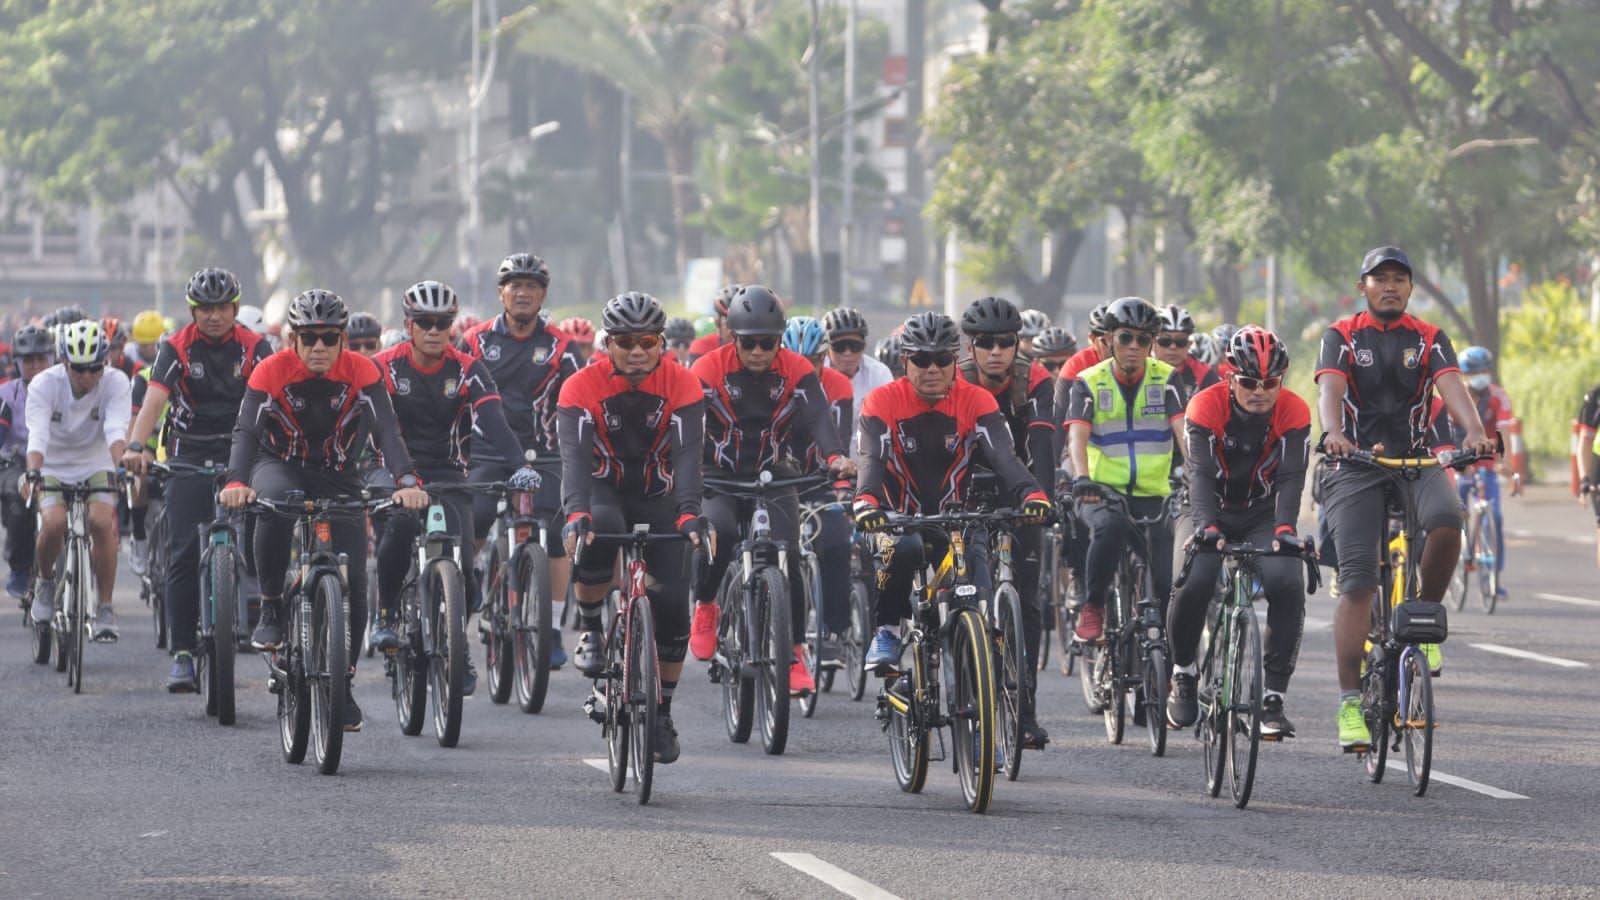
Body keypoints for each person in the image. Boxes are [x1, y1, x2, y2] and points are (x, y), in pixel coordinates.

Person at [219, 289, 429, 732]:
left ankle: (343, 685)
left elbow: (388, 431)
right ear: (292, 339)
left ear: (342, 340)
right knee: (272, 510)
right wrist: (237, 482)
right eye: (309, 337)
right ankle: (273, 607)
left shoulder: (363, 371)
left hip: (338, 471)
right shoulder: (270, 371)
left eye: (329, 338)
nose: (319, 348)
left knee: (351, 583)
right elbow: (244, 432)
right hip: (278, 463)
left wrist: (407, 481)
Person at [1315, 246, 1494, 751]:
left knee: (1447, 521)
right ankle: (1351, 701)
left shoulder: (1431, 338)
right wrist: (1334, 434)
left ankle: (1421, 619)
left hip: (1415, 460)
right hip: (1354, 465)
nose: (1389, 286)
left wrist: (1475, 433)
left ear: (1410, 288)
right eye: (1380, 279)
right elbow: (1329, 391)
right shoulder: (1341, 337)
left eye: (1399, 279)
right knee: (1358, 580)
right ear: (1363, 286)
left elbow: (1451, 386)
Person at [853, 312, 1052, 672]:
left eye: (942, 359)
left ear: (955, 360)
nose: (932, 369)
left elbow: (1005, 458)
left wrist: (1031, 493)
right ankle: (886, 630)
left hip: (956, 517)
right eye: (921, 360)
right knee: (904, 548)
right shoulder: (881, 401)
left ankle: (977, 676)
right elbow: (872, 460)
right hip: (897, 517)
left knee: (977, 583)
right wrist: (866, 500)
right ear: (904, 361)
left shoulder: (976, 400)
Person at [557, 292, 708, 764]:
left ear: (661, 342)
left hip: (659, 492)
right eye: (626, 341)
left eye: (647, 341)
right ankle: (592, 631)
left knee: (671, 604)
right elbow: (575, 461)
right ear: (609, 343)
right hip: (603, 488)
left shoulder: (683, 383)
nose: (637, 351)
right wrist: (575, 511)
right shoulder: (581, 386)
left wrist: (688, 512)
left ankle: (661, 712)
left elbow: (688, 457)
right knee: (598, 527)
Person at [368, 281, 537, 696]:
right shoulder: (383, 366)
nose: (432, 331)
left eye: (441, 323)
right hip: (392, 472)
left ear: (451, 327)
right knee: (402, 528)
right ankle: (387, 615)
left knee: (462, 561)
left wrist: (518, 466)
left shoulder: (467, 367)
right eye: (423, 323)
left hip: (448, 471)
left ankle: (454, 648)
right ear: (408, 325)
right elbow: (377, 427)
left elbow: (494, 419)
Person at [688, 288, 855, 696]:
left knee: (791, 554)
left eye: (768, 342)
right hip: (718, 473)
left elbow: (819, 417)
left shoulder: (798, 369)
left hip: (772, 470)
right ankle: (706, 605)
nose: (759, 351)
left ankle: (794, 651)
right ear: (733, 338)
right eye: (749, 343)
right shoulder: (708, 368)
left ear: (779, 340)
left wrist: (835, 457)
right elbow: (688, 430)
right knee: (721, 534)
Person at [123, 268, 271, 692]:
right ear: (192, 311)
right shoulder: (175, 348)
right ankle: (183, 652)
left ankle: (267, 611)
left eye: (222, 307)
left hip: (242, 449)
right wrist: (136, 447)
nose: (213, 316)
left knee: (265, 527)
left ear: (235, 310)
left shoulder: (255, 346)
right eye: (205, 308)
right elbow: (154, 400)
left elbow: (275, 399)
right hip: (188, 450)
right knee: (184, 551)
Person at [1168, 327, 1310, 737]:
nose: (1260, 391)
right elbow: (1200, 474)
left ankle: (1273, 699)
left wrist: (1284, 529)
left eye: (1270, 383)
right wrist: (1207, 528)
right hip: (1204, 507)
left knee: (1287, 581)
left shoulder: (1294, 410)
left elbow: (1291, 477)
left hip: (1262, 512)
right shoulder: (1204, 405)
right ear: (1228, 377)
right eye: (1249, 382)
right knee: (1194, 581)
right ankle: (1183, 674)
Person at [460, 253, 582, 668]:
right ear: (501, 293)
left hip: (544, 454)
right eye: (515, 285)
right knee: (474, 517)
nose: (523, 292)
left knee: (552, 533)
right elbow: (456, 398)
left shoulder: (562, 347)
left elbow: (577, 401)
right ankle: (473, 570)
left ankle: (549, 627)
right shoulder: (475, 341)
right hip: (487, 451)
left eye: (532, 286)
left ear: (543, 294)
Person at [957, 296, 1056, 748]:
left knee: (1029, 601)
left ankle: (1027, 710)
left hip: (1021, 492)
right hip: (962, 491)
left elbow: (1043, 447)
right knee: (959, 590)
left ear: (1018, 344)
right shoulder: (953, 379)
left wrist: (1043, 499)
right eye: (986, 343)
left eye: (1006, 342)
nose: (996, 351)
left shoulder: (1035, 380)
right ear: (970, 346)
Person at [1062, 297, 1185, 643]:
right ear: (1109, 339)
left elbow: (1184, 431)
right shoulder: (1088, 381)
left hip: (1154, 493)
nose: (1134, 347)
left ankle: (1171, 671)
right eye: (1126, 338)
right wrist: (1082, 478)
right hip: (1101, 491)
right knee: (1109, 527)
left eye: (1144, 340)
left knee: (1166, 581)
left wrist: (1197, 472)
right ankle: (1094, 606)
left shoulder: (1168, 379)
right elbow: (1077, 436)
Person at [22, 320, 132, 641]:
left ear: (106, 362)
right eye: (78, 369)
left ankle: (106, 606)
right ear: (63, 362)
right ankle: (44, 584)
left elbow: (115, 430)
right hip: (52, 463)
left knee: (100, 522)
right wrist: (33, 471)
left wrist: (121, 467)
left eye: (94, 368)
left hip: (95, 461)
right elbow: (37, 435)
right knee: (53, 523)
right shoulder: (43, 384)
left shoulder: (116, 383)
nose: (86, 377)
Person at [781, 316, 855, 662]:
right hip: (777, 479)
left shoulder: (838, 385)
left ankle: (835, 629)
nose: (803, 367)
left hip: (818, 479)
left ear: (824, 358)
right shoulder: (772, 382)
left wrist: (840, 482)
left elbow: (836, 438)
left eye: (811, 360)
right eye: (796, 359)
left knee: (838, 542)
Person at [1455, 345, 1514, 598]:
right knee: (1449, 514)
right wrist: (1460, 464)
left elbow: (1504, 431)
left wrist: (1506, 461)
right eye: (1476, 371)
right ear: (1464, 375)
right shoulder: (1453, 397)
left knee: (1496, 517)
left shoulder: (1499, 397)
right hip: (1458, 460)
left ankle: (1494, 576)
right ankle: (1455, 554)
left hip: (1487, 462)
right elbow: (1446, 433)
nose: (1482, 375)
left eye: (1485, 370)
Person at [0, 325, 55, 599]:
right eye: (28, 361)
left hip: (57, 461)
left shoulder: (64, 388)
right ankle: (20, 567)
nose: (35, 366)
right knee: (19, 504)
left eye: (40, 359)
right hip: (17, 463)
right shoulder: (7, 395)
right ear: (18, 364)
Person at [820, 307, 894, 435]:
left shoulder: (880, 374)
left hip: (868, 451)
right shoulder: (815, 374)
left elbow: (890, 421)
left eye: (855, 346)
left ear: (864, 346)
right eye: (840, 347)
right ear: (826, 348)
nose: (848, 353)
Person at [687, 285, 739, 360]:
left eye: (745, 326)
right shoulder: (701, 348)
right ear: (718, 322)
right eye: (730, 324)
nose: (737, 332)